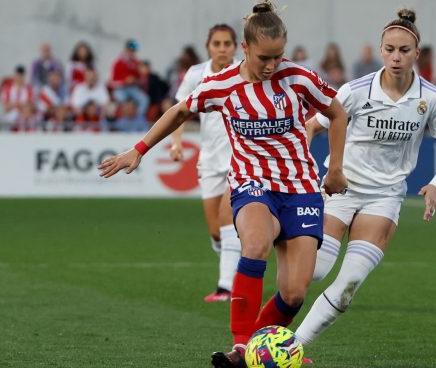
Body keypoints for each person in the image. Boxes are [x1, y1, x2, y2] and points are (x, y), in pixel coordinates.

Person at [97, 2, 348, 367]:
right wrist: (139, 149)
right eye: (264, 57)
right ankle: (243, 347)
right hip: (252, 183)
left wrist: (335, 169)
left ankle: (261, 352)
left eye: (278, 57)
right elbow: (181, 110)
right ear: (245, 49)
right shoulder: (221, 84)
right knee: (256, 242)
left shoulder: (298, 77)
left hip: (300, 187)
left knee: (293, 293)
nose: (271, 66)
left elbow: (337, 112)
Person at [294, 7, 436, 351]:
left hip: (385, 197)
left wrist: (435, 184)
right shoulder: (355, 90)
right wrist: (307, 171)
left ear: (417, 53)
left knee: (349, 281)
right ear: (380, 49)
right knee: (312, 272)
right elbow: (313, 126)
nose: (396, 57)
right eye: (389, 49)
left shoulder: (431, 98)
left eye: (404, 51)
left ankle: (293, 346)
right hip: (341, 188)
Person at [170, 23, 241, 303]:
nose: (222, 48)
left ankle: (226, 286)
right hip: (210, 161)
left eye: (227, 43)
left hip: (240, 160)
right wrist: (176, 142)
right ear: (208, 47)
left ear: (236, 47)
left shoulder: (244, 72)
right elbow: (179, 112)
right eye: (217, 44)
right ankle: (237, 265)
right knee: (216, 231)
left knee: (227, 218)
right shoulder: (196, 74)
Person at [109, 39, 149, 118]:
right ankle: (122, 122)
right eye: (130, 50)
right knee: (121, 98)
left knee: (144, 99)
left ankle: (138, 120)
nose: (131, 52)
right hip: (120, 88)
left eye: (133, 51)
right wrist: (124, 81)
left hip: (132, 88)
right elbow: (112, 82)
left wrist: (138, 79)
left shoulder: (137, 63)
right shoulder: (118, 63)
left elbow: (142, 81)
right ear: (126, 50)